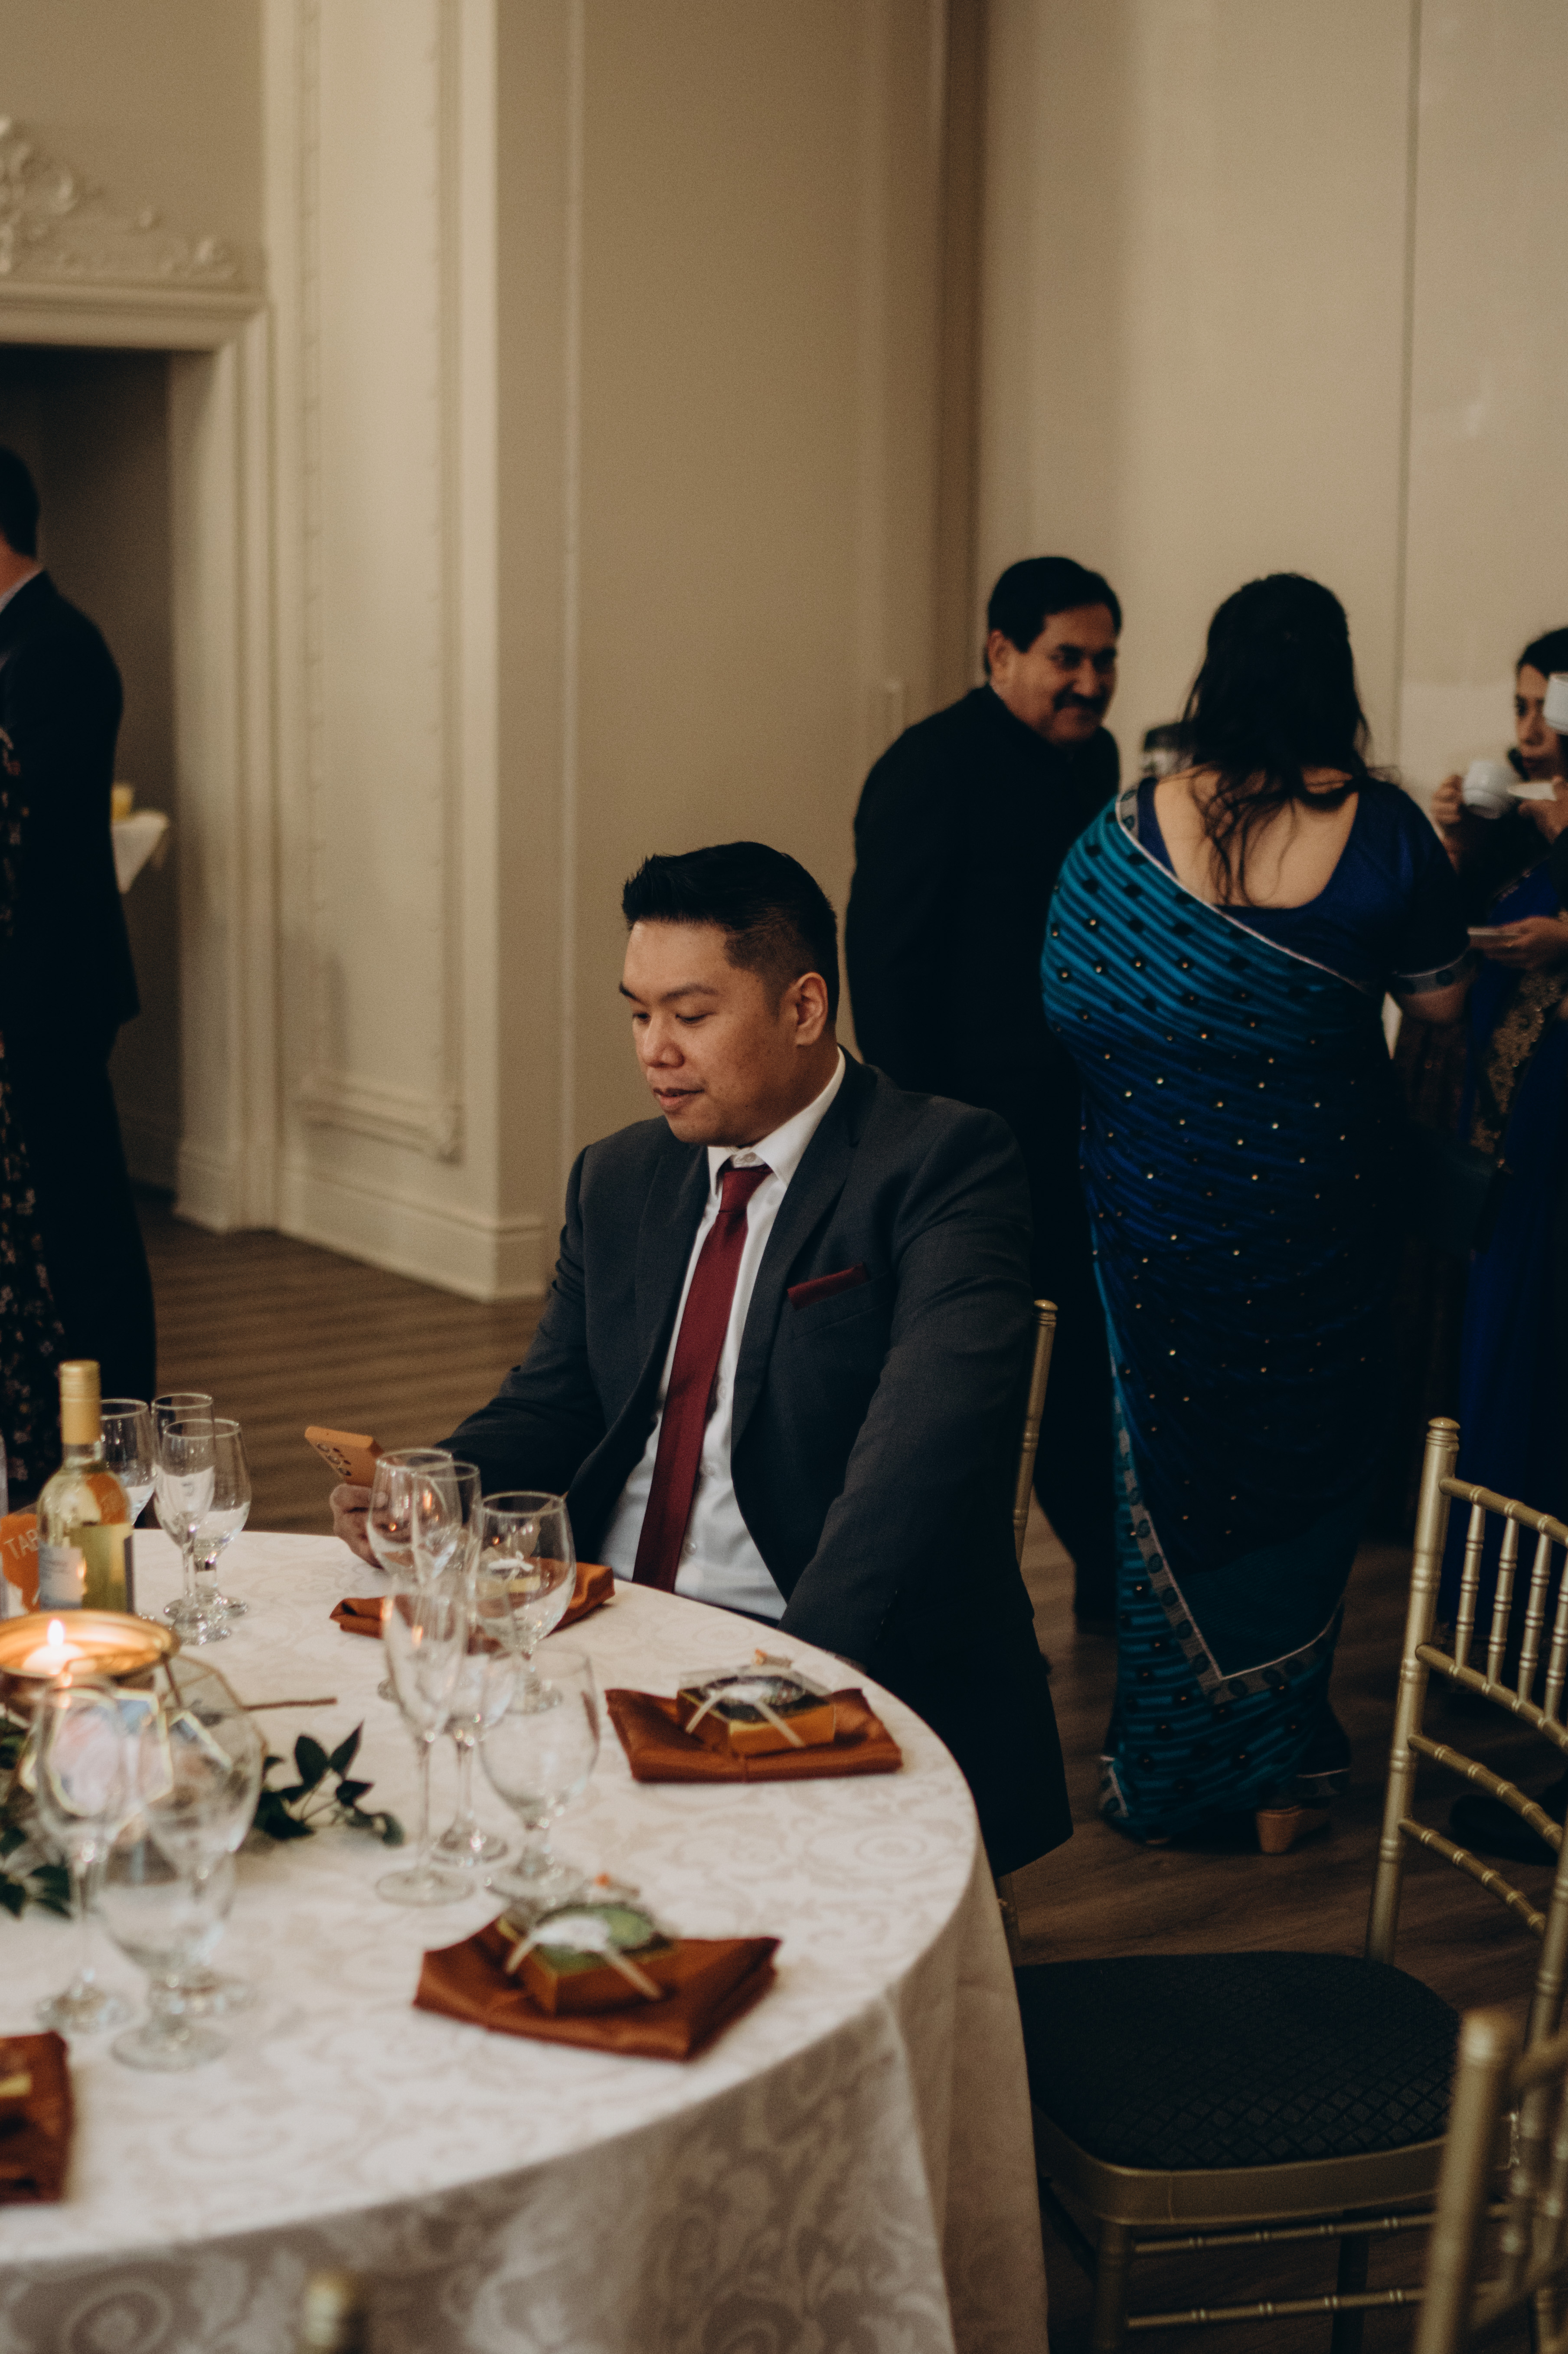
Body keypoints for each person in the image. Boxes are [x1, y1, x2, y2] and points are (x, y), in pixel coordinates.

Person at [332, 841, 1070, 1874]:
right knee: (387, 1796)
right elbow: (555, 1400)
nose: (654, 1051)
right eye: (638, 1014)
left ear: (803, 1006)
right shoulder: (618, 1176)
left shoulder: (939, 1162)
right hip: (599, 1621)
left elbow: (921, 1444)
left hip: (800, 1633)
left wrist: (796, 1666)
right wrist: (431, 1486)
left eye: (689, 1014)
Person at [1043, 573, 1470, 1852]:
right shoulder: (1387, 830)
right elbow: (1440, 1007)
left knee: (1169, 1469)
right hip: (1321, 1213)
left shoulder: (1128, 826)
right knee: (1304, 1471)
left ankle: (1167, 1765)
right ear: (1335, 682)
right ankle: (1278, 1774)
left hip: (1162, 1209)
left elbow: (1068, 1000)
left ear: (1214, 677)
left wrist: (1182, 1072)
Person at [846, 555, 1122, 1623]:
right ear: (1000, 652)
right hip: (971, 1135)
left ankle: (1105, 1582)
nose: (1090, 682)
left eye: (1104, 660)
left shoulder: (1096, 759)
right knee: (974, 1375)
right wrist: (931, 1144)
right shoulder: (926, 767)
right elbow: (887, 969)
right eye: (1067, 657)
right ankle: (938, 1605)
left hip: (1080, 1127)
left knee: (1080, 1359)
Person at [0, 448, 155, 1428]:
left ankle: (117, 1428)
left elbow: (31, 820)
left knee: (78, 1227)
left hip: (46, 990)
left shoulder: (56, 646)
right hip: (31, 986)